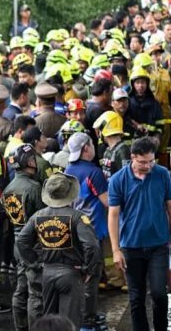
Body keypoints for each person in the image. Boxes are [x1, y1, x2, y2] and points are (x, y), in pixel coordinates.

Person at [108, 137, 171, 331]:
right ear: (132, 157)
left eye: (151, 161)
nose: (148, 166)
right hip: (131, 247)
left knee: (159, 293)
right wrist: (116, 250)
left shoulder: (162, 175)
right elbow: (114, 215)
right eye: (143, 162)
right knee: (136, 297)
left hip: (159, 244)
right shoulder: (118, 180)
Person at [16, 172, 100, 330]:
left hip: (46, 274)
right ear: (69, 194)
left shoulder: (37, 216)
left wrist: (35, 264)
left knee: (49, 323)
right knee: (69, 323)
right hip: (70, 274)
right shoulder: (77, 217)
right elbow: (92, 246)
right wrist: (87, 269)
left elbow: (21, 241)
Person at [64, 133, 110, 329]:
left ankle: (82, 315)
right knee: (92, 275)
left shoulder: (68, 169)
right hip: (91, 231)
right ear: (86, 148)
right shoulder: (94, 172)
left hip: (73, 228)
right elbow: (107, 201)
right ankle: (87, 320)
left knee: (79, 275)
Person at [1, 144, 45, 331]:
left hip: (17, 244)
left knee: (21, 288)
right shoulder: (34, 187)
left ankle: (21, 327)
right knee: (36, 291)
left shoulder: (8, 189)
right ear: (28, 161)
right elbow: (45, 218)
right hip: (33, 245)